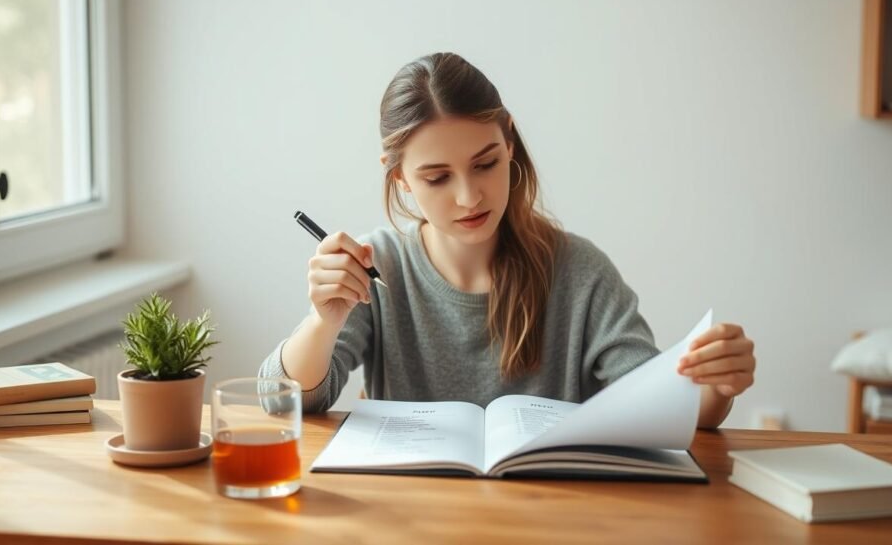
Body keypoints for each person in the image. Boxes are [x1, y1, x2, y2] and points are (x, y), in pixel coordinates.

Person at [261, 52, 755, 428]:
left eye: (486, 164)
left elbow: (664, 410)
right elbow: (282, 399)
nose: (469, 197)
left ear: (510, 141)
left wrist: (715, 387)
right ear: (401, 179)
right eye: (437, 178)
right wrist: (323, 322)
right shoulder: (379, 267)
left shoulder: (579, 271)